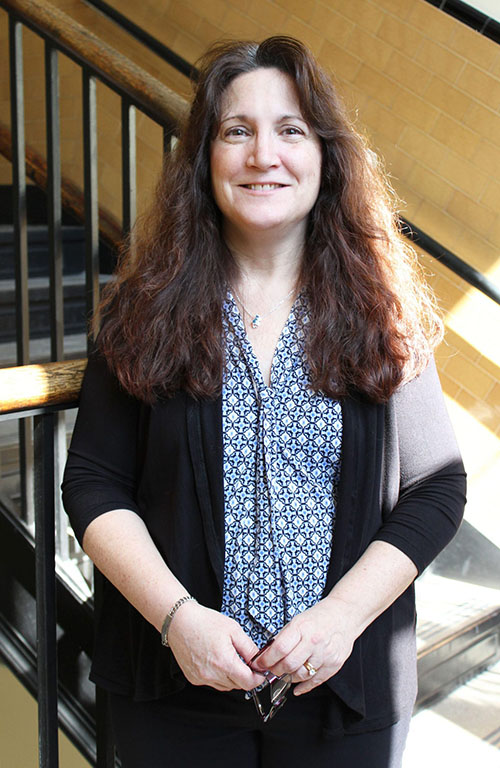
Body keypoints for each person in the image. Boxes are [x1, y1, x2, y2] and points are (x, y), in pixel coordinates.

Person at [62, 36, 466, 768]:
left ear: (325, 156)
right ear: (205, 159)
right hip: (172, 689)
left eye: (291, 130)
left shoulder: (384, 310)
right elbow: (93, 482)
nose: (263, 155)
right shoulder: (142, 310)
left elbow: (437, 487)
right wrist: (176, 619)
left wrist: (343, 618)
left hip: (345, 689)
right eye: (236, 131)